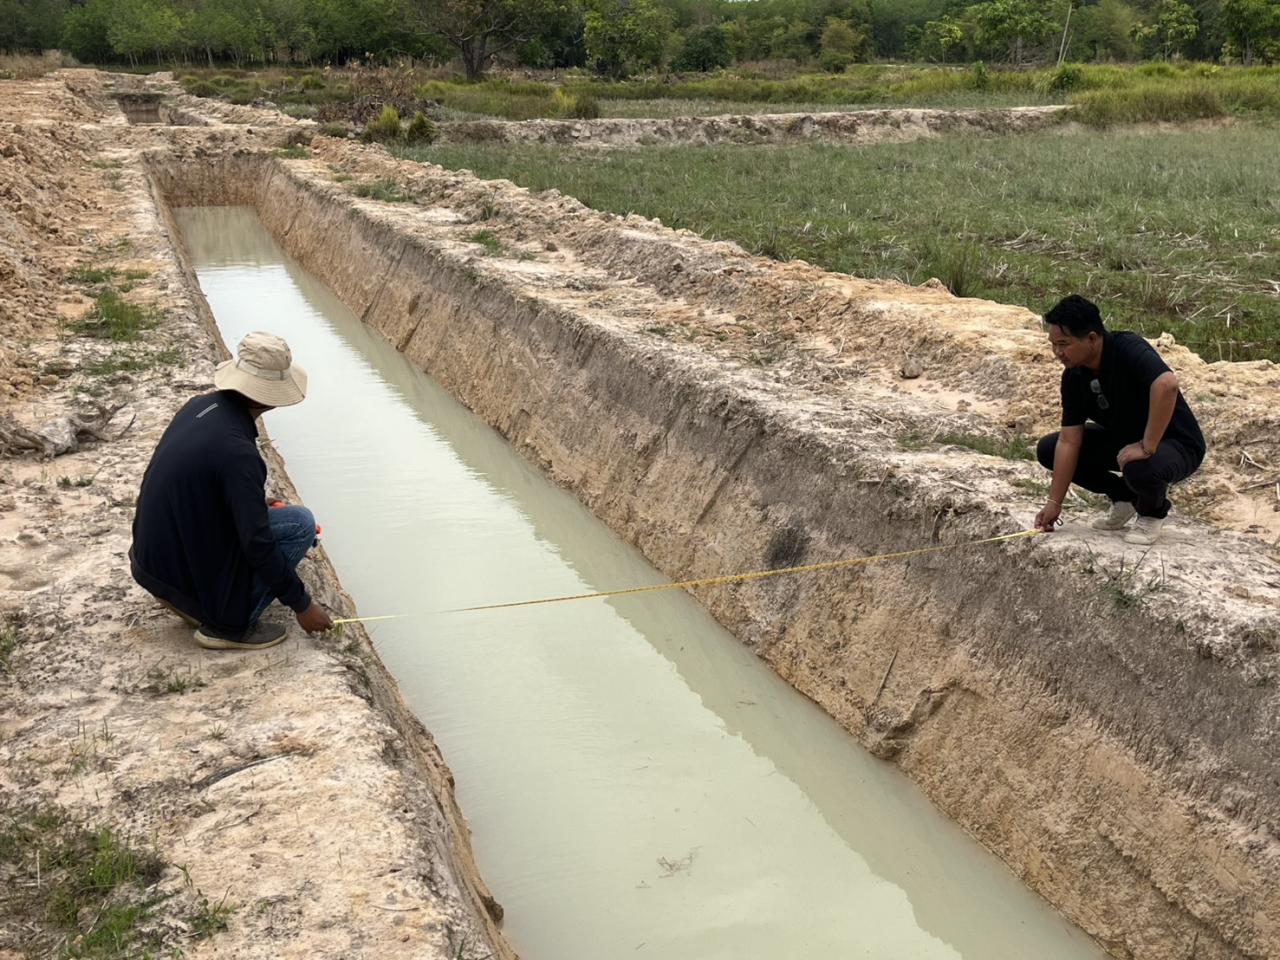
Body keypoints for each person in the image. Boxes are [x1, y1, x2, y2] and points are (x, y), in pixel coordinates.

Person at [130, 331, 334, 650]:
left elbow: (200, 486)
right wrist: (302, 605)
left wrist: (254, 501)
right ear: (267, 395)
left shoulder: (198, 407)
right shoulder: (238, 453)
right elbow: (257, 544)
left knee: (274, 516)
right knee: (300, 524)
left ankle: (193, 596)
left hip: (152, 568)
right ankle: (228, 626)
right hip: (180, 579)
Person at [1033, 294, 1205, 545]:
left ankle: (1151, 513)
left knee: (1140, 466)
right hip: (1124, 440)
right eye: (1054, 344)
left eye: (1064, 344)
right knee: (1049, 449)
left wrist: (1147, 445)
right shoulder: (1074, 377)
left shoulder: (1127, 347)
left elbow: (1167, 384)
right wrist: (1054, 503)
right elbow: (1070, 441)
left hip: (1176, 443)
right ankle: (1124, 499)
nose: (1057, 352)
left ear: (1092, 338)